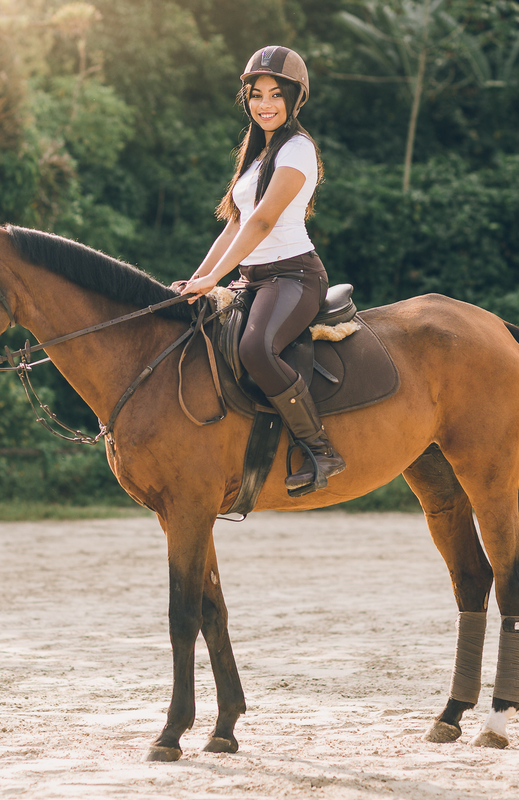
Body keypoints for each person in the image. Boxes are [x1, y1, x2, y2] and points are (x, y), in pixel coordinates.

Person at [177, 45, 344, 495]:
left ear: (294, 101)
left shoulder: (298, 149)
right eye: (256, 94)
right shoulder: (256, 156)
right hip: (253, 277)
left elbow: (264, 221)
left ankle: (320, 448)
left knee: (256, 348)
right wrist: (198, 280)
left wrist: (216, 279)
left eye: (275, 94)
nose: (264, 104)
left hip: (293, 276)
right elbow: (235, 224)